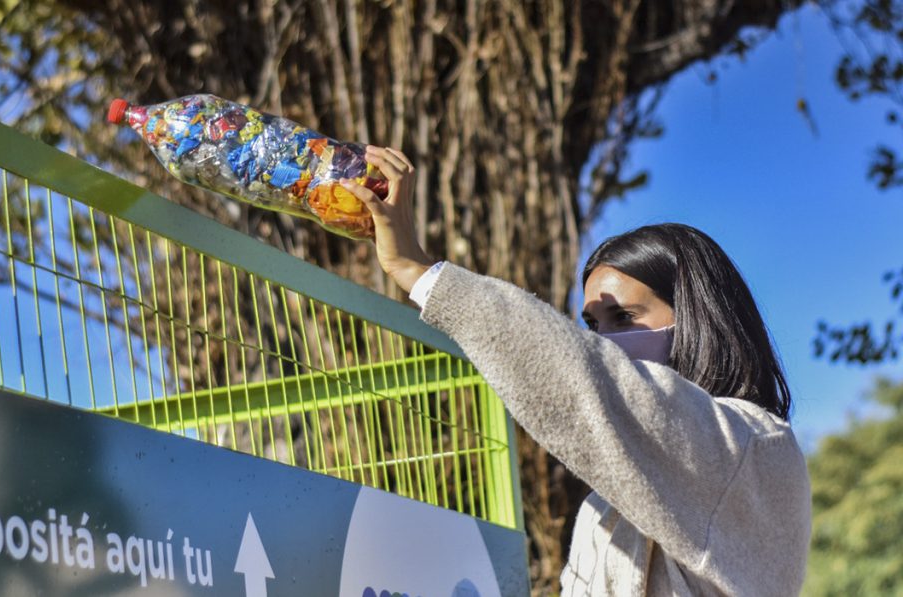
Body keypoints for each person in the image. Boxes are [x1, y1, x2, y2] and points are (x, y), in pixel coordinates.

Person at [340, 146, 812, 596]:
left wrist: (418, 270)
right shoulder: (608, 506)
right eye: (592, 326)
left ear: (696, 318)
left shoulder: (751, 450)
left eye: (623, 317)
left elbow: (587, 375)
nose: (602, 342)